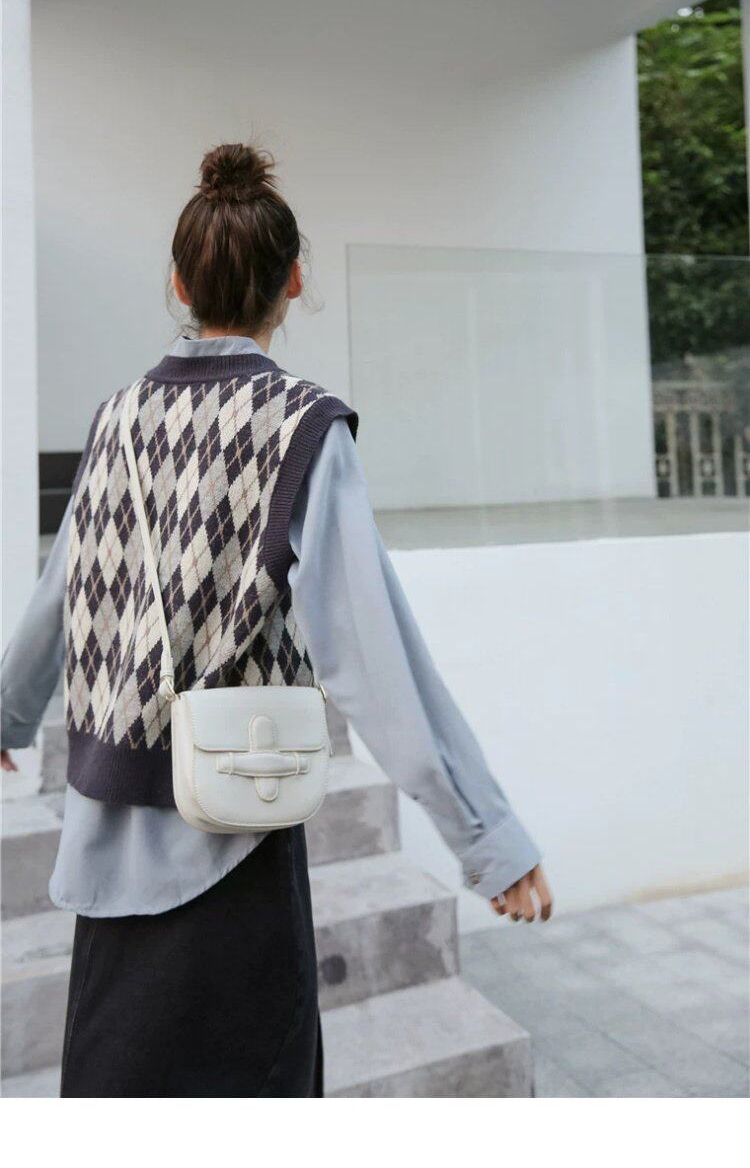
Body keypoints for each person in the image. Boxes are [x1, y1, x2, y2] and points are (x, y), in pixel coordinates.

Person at [1, 143, 551, 1098]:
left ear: (179, 284)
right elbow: (373, 658)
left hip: (103, 847)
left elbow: (60, 591)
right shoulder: (301, 426)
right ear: (293, 280)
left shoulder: (116, 418)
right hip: (233, 849)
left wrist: (8, 713)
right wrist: (485, 837)